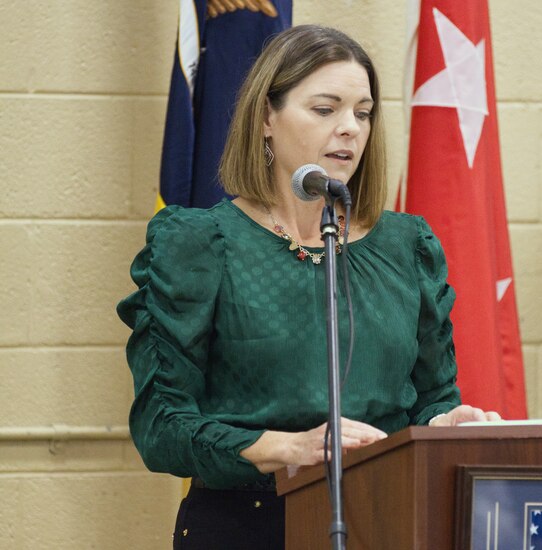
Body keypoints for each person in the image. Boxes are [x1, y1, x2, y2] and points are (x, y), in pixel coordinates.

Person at [117, 24, 499, 549]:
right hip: (247, 526)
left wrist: (446, 422)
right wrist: (286, 447)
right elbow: (162, 425)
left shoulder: (407, 246)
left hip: (385, 521)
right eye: (326, 109)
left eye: (363, 113)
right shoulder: (200, 243)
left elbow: (430, 399)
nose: (350, 129)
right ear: (267, 119)